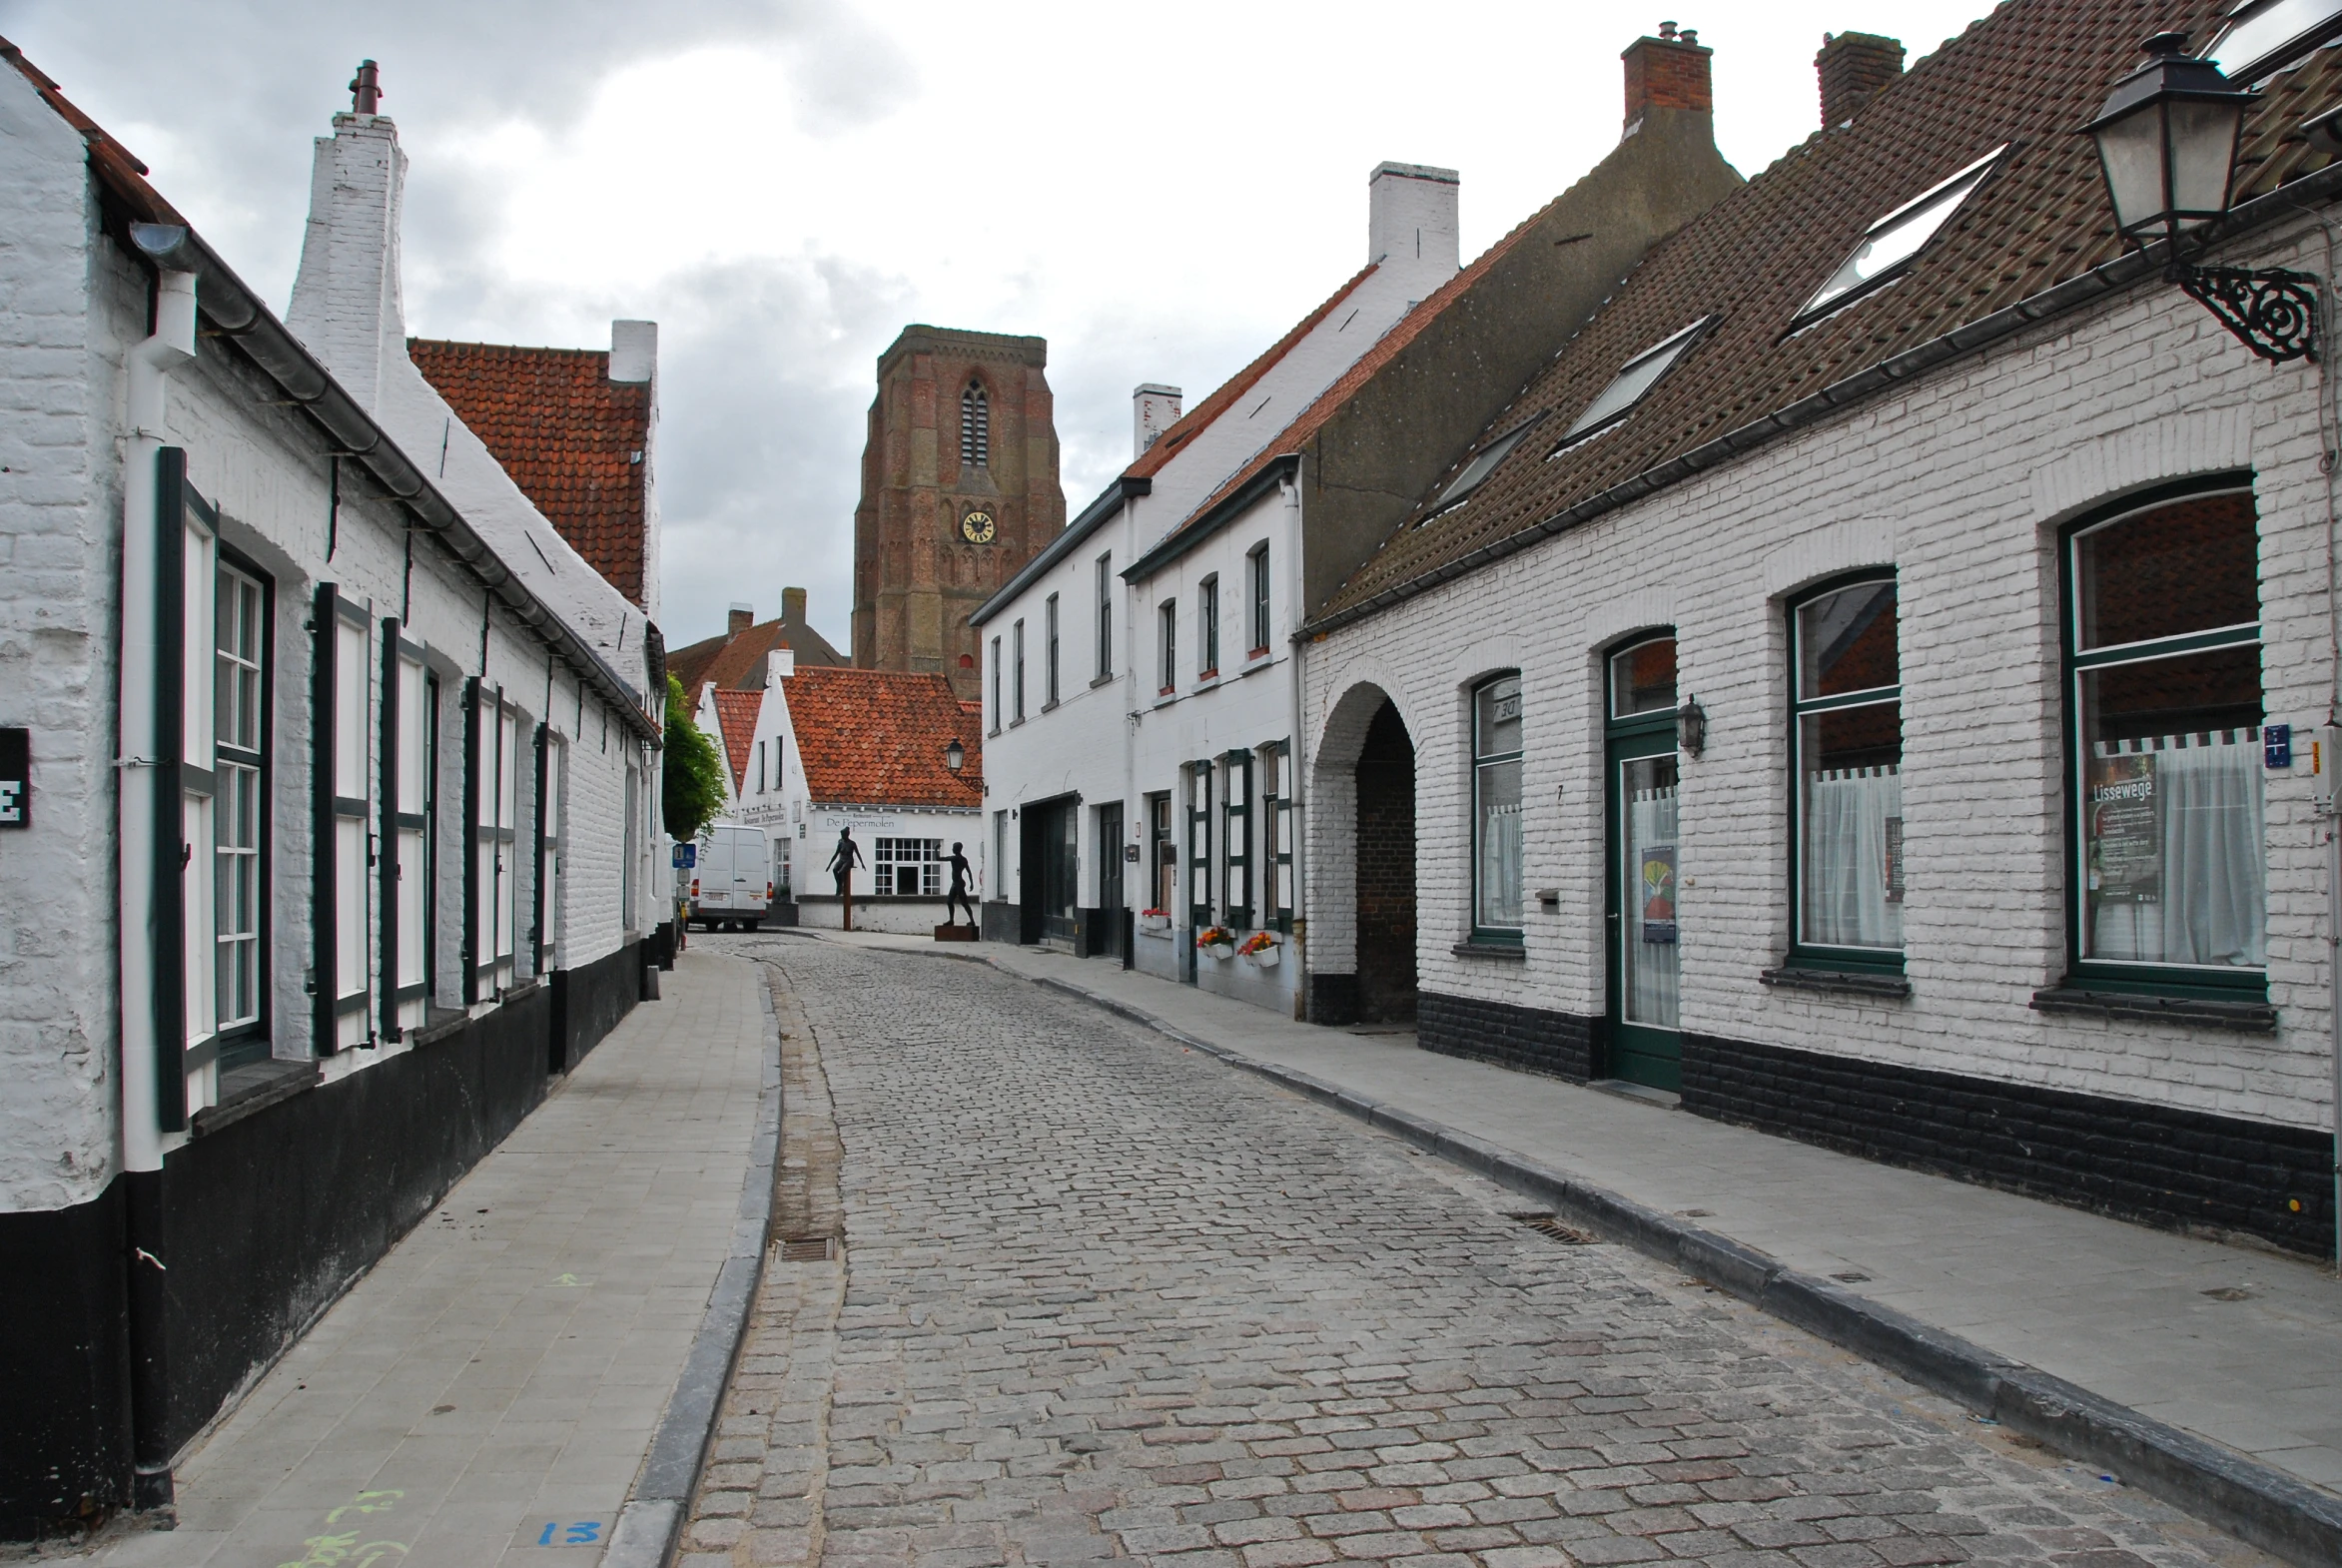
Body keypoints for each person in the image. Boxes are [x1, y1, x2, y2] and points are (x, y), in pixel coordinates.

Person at [828, 827, 866, 930]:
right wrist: (829, 865)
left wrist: (862, 864)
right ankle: (839, 885)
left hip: (849, 860)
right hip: (842, 859)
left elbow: (858, 853)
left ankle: (842, 886)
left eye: (843, 834)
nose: (842, 836)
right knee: (835, 870)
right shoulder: (840, 843)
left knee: (841, 871)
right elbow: (836, 854)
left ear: (847, 834)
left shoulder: (852, 843)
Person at [945, 841, 977, 928]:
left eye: (953, 848)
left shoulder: (954, 858)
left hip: (958, 883)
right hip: (956, 883)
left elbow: (938, 858)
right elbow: (969, 871)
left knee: (963, 903)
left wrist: (936, 849)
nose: (952, 849)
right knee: (950, 902)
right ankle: (952, 920)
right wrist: (971, 883)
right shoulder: (963, 859)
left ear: (957, 849)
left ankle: (972, 920)